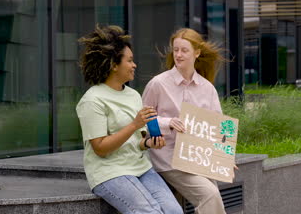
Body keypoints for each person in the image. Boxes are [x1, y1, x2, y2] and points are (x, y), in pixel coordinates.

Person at [75, 25, 183, 214]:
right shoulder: (93, 100)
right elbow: (100, 148)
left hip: (140, 167)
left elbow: (136, 142)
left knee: (175, 211)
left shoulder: (133, 95)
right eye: (130, 60)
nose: (135, 65)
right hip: (109, 172)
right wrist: (135, 124)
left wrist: (149, 142)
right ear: (114, 65)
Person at [142, 28, 227, 214]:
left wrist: (225, 157)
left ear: (197, 53)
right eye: (176, 50)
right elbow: (142, 121)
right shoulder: (158, 84)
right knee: (210, 195)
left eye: (184, 50)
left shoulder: (207, 88)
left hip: (199, 157)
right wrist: (168, 122)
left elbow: (219, 128)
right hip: (169, 159)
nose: (178, 55)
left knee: (212, 197)